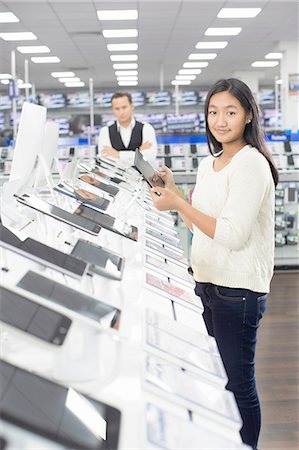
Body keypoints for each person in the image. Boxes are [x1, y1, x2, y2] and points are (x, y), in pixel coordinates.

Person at [150, 78, 278, 450]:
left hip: (237, 293)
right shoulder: (210, 164)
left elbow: (232, 234)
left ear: (249, 115)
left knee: (238, 385)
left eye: (231, 112)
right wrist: (175, 196)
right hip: (207, 285)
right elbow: (200, 226)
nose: (220, 120)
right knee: (218, 382)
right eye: (213, 112)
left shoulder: (251, 164)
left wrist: (178, 204)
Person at [98, 92, 157, 166]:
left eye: (124, 107)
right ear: (113, 110)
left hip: (142, 177)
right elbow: (106, 162)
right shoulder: (105, 131)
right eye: (117, 109)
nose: (121, 112)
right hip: (115, 177)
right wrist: (138, 153)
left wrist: (118, 154)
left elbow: (150, 158)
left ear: (132, 106)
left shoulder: (146, 129)